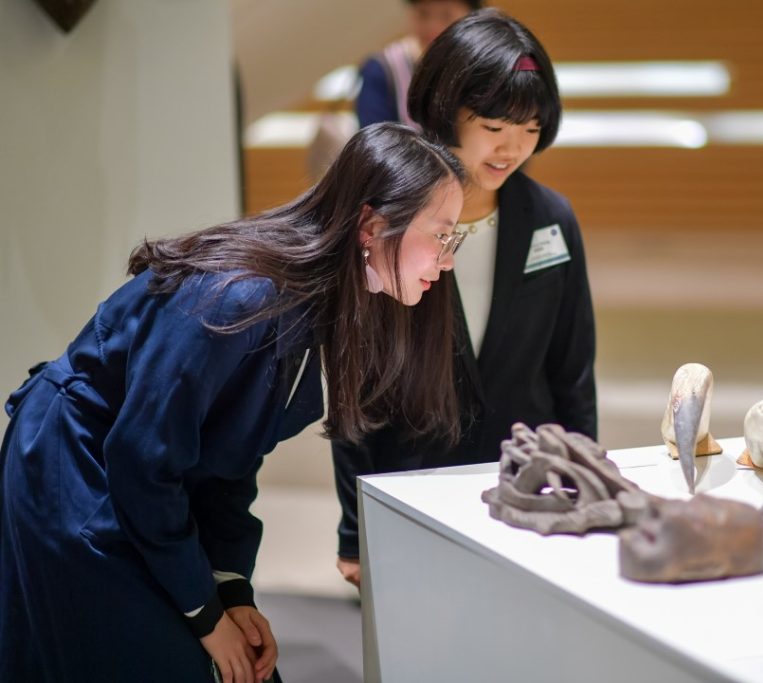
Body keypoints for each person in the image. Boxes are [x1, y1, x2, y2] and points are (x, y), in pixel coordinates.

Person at [0, 123, 465, 683]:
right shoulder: (239, 297)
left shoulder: (316, 300)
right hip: (75, 467)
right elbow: (143, 458)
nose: (447, 261)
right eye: (442, 235)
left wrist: (230, 588)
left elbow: (230, 460)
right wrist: (205, 613)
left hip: (140, 476)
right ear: (371, 225)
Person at [333, 9, 597, 587]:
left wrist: (584, 484)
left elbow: (573, 371)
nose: (512, 148)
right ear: (447, 107)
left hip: (529, 492)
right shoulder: (390, 224)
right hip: (415, 489)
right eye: (494, 126)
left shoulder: (551, 219)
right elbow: (356, 384)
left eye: (531, 129)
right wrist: (354, 529)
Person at [354, 0, 483, 128]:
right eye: (423, 14)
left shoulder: (481, 68)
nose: (432, 26)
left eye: (446, 15)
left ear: (471, 18)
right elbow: (373, 134)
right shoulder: (382, 70)